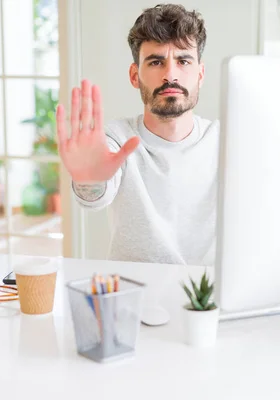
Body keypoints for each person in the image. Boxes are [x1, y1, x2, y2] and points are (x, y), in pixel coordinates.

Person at [56, 4, 219, 266]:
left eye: (183, 61)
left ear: (200, 74)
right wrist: (90, 180)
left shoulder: (224, 141)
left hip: (205, 299)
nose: (170, 75)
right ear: (135, 75)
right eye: (156, 62)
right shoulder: (117, 138)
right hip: (132, 296)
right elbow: (96, 193)